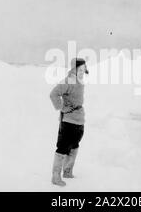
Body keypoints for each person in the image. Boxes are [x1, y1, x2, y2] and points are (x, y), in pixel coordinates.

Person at [49, 57, 89, 186]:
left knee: (74, 146)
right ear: (74, 69)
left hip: (79, 119)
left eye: (84, 69)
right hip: (69, 120)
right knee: (63, 147)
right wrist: (61, 107)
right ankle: (55, 176)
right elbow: (54, 93)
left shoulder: (78, 80)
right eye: (80, 69)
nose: (82, 71)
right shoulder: (69, 80)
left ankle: (67, 171)